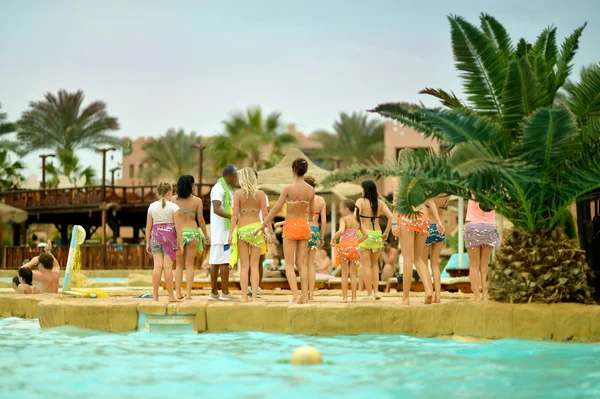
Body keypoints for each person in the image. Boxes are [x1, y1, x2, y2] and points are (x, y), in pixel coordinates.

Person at [255, 158, 314, 304]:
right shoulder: (311, 190)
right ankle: (305, 296)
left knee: (288, 264)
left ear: (293, 170)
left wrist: (263, 224)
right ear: (305, 171)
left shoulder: (288, 189)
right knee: (302, 264)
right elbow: (311, 215)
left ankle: (295, 296)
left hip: (291, 227)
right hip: (304, 226)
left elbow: (275, 209)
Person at [229, 168, 273, 302]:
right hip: (257, 229)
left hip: (242, 229)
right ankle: (254, 296)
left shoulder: (237, 194)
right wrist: (269, 232)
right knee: (255, 265)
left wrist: (231, 233)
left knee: (244, 266)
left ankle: (244, 297)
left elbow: (235, 215)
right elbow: (266, 215)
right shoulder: (261, 194)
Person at [171, 175, 210, 300]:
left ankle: (177, 292)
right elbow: (201, 221)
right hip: (192, 232)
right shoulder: (197, 201)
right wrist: (207, 236)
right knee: (189, 265)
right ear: (192, 186)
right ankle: (188, 294)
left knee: (178, 265)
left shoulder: (173, 200)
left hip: (178, 233)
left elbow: (171, 218)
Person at [355, 180, 393, 300]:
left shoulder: (360, 201)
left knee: (365, 265)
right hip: (377, 234)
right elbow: (391, 216)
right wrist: (386, 231)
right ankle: (376, 292)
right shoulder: (380, 203)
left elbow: (355, 216)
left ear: (365, 190)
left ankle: (369, 294)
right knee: (375, 264)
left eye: (362, 188)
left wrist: (359, 228)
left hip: (365, 233)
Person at [145, 182, 183, 302]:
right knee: (167, 268)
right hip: (169, 239)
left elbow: (148, 226)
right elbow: (178, 226)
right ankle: (171, 296)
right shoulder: (174, 207)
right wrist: (180, 243)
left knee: (157, 266)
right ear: (169, 192)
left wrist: (147, 242)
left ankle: (155, 296)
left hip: (155, 237)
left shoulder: (152, 206)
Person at [209, 164, 239, 301]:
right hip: (222, 232)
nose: (237, 178)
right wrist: (232, 217)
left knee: (215, 261)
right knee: (224, 262)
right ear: (229, 176)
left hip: (220, 231)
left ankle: (214, 292)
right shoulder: (219, 189)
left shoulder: (226, 189)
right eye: (235, 176)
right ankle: (225, 292)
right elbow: (216, 208)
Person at [331, 199, 368, 302]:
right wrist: (356, 242)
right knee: (352, 273)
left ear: (346, 209)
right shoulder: (357, 220)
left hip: (344, 246)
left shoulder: (344, 219)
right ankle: (354, 298)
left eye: (341, 208)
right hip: (354, 247)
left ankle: (345, 297)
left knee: (344, 273)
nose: (340, 210)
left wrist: (333, 238)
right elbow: (366, 235)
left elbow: (341, 231)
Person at [465, 199, 499, 301]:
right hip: (490, 228)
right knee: (484, 265)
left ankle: (476, 296)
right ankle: (485, 295)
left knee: (474, 264)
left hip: (473, 227)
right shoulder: (495, 192)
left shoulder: (473, 189)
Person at [422, 195, 450, 303]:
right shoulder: (447, 197)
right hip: (440, 228)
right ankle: (438, 296)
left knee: (424, 263)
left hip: (427, 227)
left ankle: (428, 293)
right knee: (435, 264)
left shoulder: (429, 195)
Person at [304, 176, 327, 300]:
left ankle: (304, 293)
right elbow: (323, 221)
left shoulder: (302, 199)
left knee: (302, 264)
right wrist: (322, 237)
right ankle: (311, 294)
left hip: (302, 230)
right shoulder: (321, 200)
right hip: (314, 231)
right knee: (311, 264)